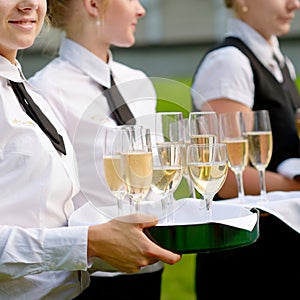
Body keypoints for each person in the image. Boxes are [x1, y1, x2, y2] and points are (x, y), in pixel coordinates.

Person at [0, 1, 181, 299]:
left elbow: (52, 210)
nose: (30, 3)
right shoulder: (48, 88)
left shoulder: (28, 96)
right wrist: (88, 243)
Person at [191, 0, 300, 299]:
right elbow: (226, 178)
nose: (295, 4)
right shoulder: (229, 63)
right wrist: (295, 187)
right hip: (245, 265)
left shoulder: (279, 62)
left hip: (278, 254)